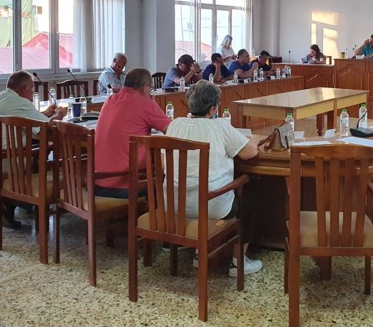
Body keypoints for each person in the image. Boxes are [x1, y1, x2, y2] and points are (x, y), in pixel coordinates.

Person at [165, 80, 262, 276]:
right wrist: (254, 140)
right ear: (213, 109)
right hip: (211, 207)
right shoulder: (220, 126)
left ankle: (200, 253)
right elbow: (249, 153)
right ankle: (239, 263)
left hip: (173, 204)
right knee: (249, 202)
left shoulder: (174, 125)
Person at [0, 70, 67, 228]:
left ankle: (13, 203)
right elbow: (47, 128)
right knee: (41, 156)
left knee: (36, 150)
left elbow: (24, 117)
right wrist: (59, 115)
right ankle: (22, 201)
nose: (33, 92)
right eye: (32, 88)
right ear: (24, 89)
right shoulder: (20, 103)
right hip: (1, 161)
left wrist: (45, 113)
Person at [95, 68, 170, 198]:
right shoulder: (144, 103)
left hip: (97, 183)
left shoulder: (110, 99)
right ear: (145, 87)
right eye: (151, 88)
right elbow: (173, 129)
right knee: (166, 181)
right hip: (123, 186)